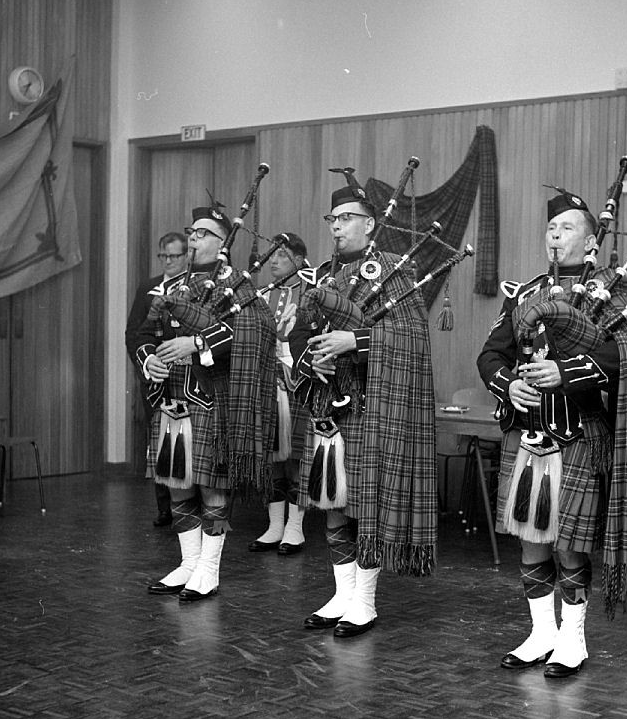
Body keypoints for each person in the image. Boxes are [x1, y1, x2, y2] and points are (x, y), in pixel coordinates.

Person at [477, 188, 627, 678]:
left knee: (569, 543)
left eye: (567, 228)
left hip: (578, 432)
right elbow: (490, 354)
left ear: (592, 241)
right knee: (530, 538)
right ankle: (542, 634)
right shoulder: (525, 292)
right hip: (526, 432)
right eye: (551, 228)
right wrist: (509, 385)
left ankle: (572, 640)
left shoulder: (615, 291)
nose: (555, 235)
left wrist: (567, 372)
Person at [287, 172, 437, 637]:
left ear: (370, 224)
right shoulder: (321, 276)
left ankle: (365, 602)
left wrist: (356, 341)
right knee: (333, 502)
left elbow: (412, 336)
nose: (337, 226)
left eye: (347, 218)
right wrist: (312, 359)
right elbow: (298, 335)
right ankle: (342, 594)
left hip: (374, 406)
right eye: (332, 219)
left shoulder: (394, 269)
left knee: (365, 505)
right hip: (328, 405)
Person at [134, 206, 277, 601]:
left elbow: (256, 330)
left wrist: (197, 342)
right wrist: (149, 360)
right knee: (177, 484)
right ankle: (189, 563)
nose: (193, 238)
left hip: (211, 397)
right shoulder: (173, 285)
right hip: (170, 398)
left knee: (213, 487)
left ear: (223, 242)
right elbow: (144, 333)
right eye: (192, 232)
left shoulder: (239, 285)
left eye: (203, 233)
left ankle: (209, 570)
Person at [248, 233, 312, 557]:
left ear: (299, 260)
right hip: (267, 381)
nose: (273, 260)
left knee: (297, 456)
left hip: (299, 381)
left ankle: (294, 528)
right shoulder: (261, 294)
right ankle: (274, 526)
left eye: (282, 255)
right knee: (271, 455)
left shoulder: (311, 293)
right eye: (272, 255)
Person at [124, 231, 188, 528]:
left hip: (186, 377)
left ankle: (188, 504)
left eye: (174, 256)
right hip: (154, 378)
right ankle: (165, 507)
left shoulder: (193, 286)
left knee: (184, 440)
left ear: (186, 256)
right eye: (163, 256)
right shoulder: (148, 287)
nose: (168, 261)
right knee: (159, 441)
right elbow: (134, 333)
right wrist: (145, 367)